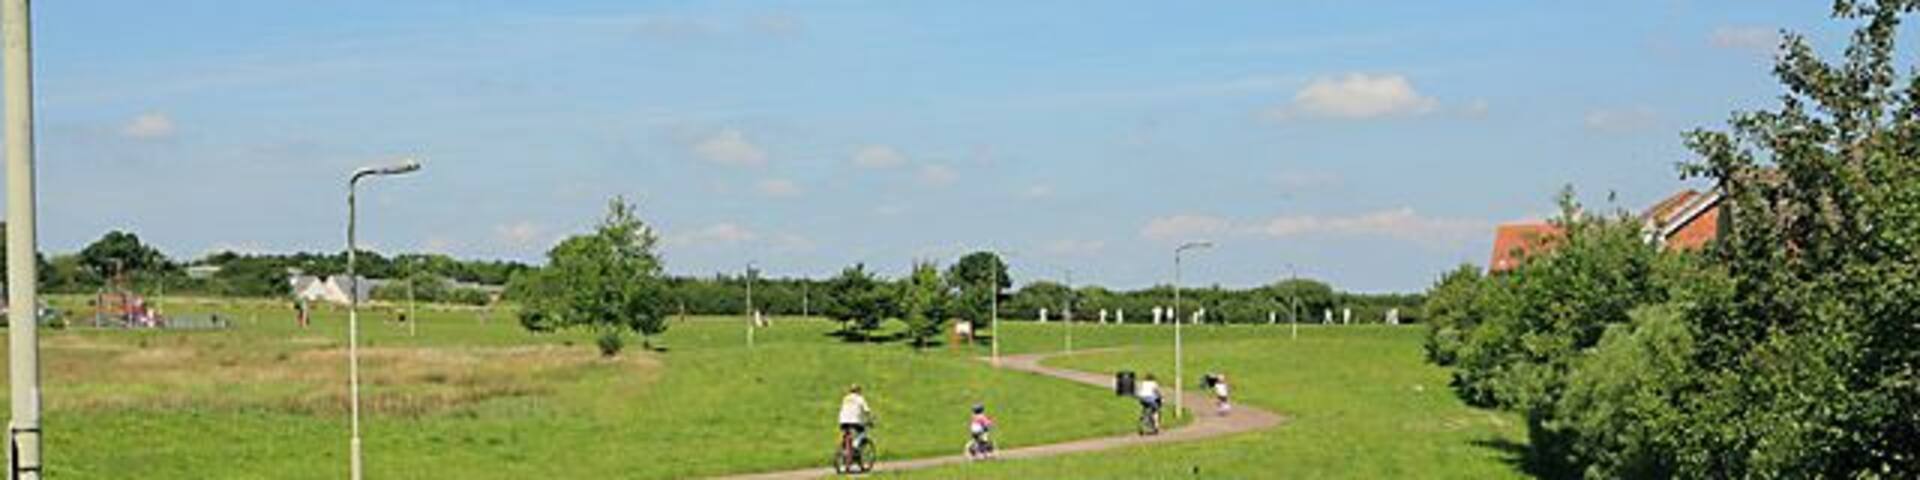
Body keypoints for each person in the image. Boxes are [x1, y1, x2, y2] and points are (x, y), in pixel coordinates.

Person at [838, 384, 872, 452]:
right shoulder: (860, 398)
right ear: (858, 391)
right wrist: (870, 418)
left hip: (843, 421)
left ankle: (843, 449)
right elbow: (866, 410)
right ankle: (855, 446)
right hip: (855, 421)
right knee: (862, 432)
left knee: (846, 432)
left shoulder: (845, 398)